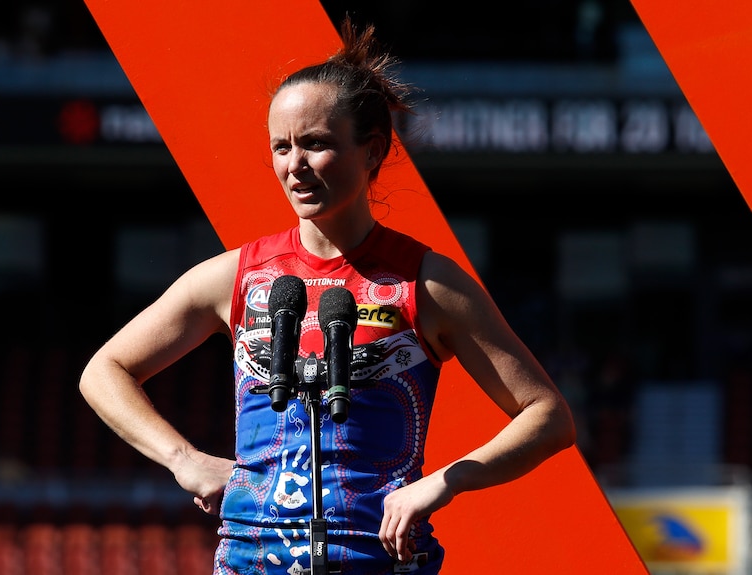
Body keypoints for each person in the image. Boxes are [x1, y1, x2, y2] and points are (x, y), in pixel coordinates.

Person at [79, 16, 576, 575]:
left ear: (373, 151)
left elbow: (549, 416)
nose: (294, 166)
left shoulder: (429, 283)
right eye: (281, 146)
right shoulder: (234, 277)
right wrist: (184, 460)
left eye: (316, 144)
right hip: (249, 559)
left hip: (381, 560)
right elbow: (104, 370)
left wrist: (445, 482)